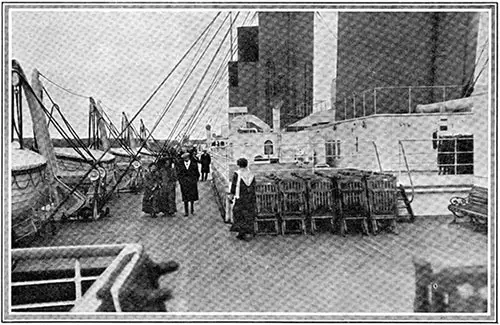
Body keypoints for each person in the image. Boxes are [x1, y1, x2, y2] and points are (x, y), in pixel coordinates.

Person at [228, 158, 256, 241]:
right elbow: (253, 186)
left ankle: (241, 232)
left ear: (239, 165)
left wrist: (231, 195)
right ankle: (249, 231)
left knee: (238, 214)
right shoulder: (251, 174)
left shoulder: (237, 174)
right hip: (250, 197)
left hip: (240, 197)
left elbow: (234, 185)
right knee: (249, 214)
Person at [176, 152, 200, 216]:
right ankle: (186, 212)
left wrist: (195, 181)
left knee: (192, 198)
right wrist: (181, 182)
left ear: (188, 157)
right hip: (184, 184)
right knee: (185, 198)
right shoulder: (180, 165)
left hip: (192, 183)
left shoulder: (194, 164)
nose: (185, 159)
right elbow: (179, 174)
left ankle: (192, 210)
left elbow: (197, 174)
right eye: (184, 158)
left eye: (186, 158)